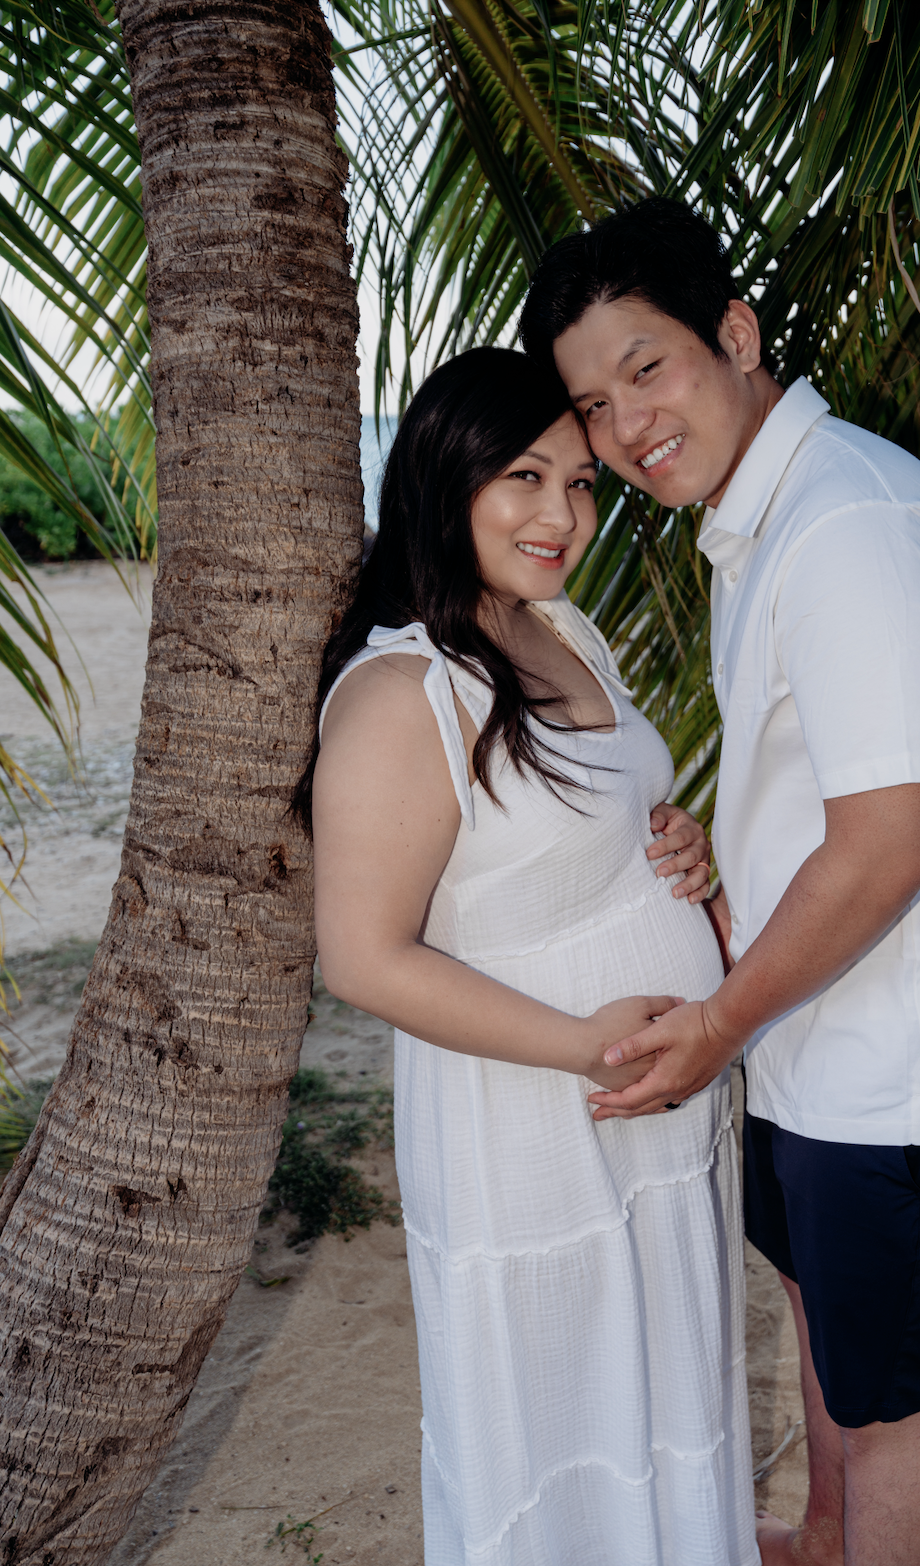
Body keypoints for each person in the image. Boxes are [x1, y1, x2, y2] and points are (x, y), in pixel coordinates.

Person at [519, 198, 920, 1566]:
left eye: (649, 367)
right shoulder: (764, 517)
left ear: (736, 334)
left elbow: (889, 846)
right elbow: (827, 793)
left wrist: (713, 1024)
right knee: (832, 1329)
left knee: (893, 1407)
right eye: (591, 403)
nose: (626, 424)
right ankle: (823, 1542)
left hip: (899, 1079)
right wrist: (730, 858)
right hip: (821, 1048)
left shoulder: (846, 526)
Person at [294, 346, 758, 1566]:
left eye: (582, 483)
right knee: (559, 1443)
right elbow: (362, 957)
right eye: (524, 477)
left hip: (647, 1108)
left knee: (666, 1405)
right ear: (446, 484)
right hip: (534, 1119)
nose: (563, 515)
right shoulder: (403, 693)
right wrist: (591, 1044)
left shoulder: (555, 625)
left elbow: (587, 820)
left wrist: (678, 852)